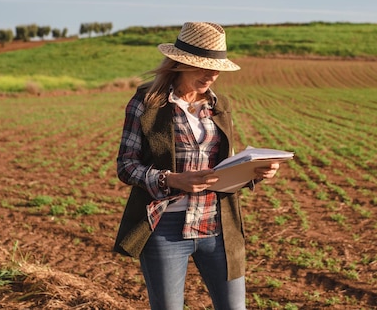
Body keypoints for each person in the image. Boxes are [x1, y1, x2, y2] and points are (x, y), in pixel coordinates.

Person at [113, 22, 279, 310]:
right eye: (204, 66)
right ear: (179, 63)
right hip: (165, 228)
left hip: (217, 224)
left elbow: (225, 165)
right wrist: (172, 180)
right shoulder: (147, 102)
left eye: (216, 68)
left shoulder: (219, 105)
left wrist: (255, 172)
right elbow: (126, 165)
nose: (212, 75)